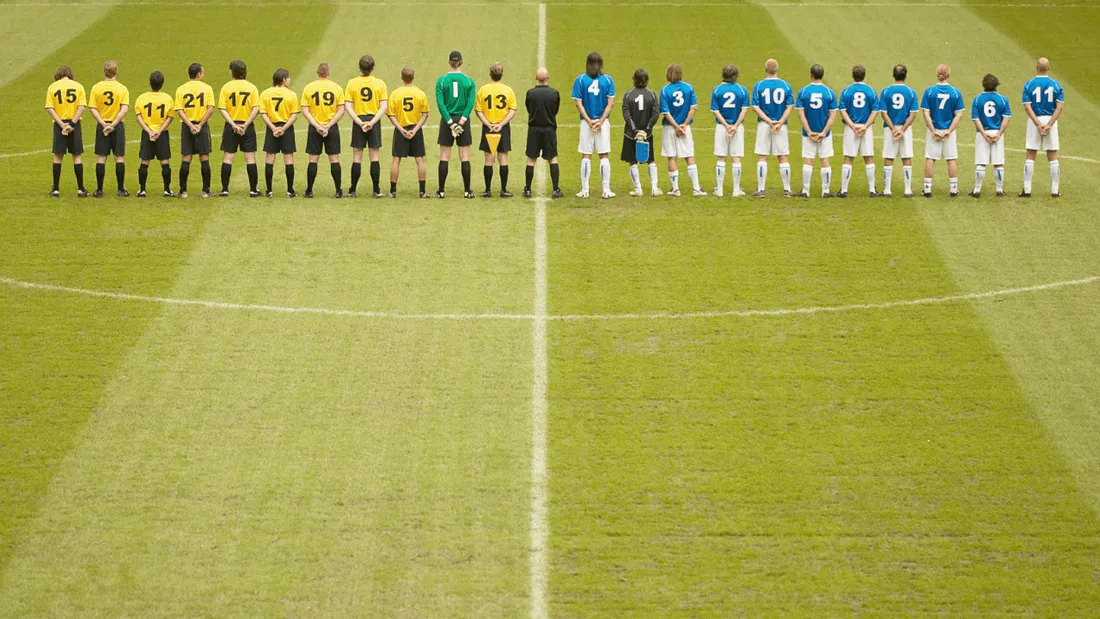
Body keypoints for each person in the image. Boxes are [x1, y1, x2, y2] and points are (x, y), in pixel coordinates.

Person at [571, 51, 616, 199]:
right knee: (604, 155)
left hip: (586, 123)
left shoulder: (580, 80)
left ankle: (585, 190)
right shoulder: (608, 80)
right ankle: (606, 190)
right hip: (603, 123)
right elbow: (610, 104)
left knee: (586, 155)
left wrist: (589, 121)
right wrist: (601, 121)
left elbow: (578, 103)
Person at [344, 54, 388, 198]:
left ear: (360, 68)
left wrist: (359, 122)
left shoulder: (352, 83)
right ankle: (376, 190)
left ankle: (353, 189)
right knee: (374, 155)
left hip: (359, 120)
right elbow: (383, 106)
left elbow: (348, 106)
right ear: (372, 68)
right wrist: (372, 122)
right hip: (373, 120)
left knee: (357, 155)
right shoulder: (380, 83)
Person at [435, 51, 477, 198]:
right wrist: (462, 121)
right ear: (461, 62)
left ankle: (441, 191)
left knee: (444, 156)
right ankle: (467, 191)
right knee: (464, 156)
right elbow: (471, 102)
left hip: (447, 121)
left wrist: (450, 123)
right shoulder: (469, 81)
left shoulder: (441, 80)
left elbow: (441, 104)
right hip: (463, 121)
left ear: (449, 62)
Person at [300, 62, 346, 198]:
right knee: (334, 158)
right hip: (331, 128)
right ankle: (338, 191)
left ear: (318, 73)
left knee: (313, 159)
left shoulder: (309, 88)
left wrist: (317, 126)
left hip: (315, 128)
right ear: (328, 73)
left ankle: (309, 190)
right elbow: (341, 110)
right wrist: (328, 125)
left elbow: (305, 109)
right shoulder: (336, 88)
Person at [1021, 57, 1064, 197]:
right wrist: (1050, 124)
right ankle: (1055, 190)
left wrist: (1038, 124)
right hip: (1050, 120)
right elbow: (1059, 107)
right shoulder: (1056, 85)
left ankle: (1027, 190)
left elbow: (1027, 106)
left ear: (1036, 67)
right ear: (1049, 68)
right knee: (1052, 154)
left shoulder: (1029, 85)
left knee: (1030, 153)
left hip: (1035, 120)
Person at [751, 59, 794, 197]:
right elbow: (789, 106)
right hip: (781, 126)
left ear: (765, 69)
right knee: (783, 157)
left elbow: (756, 107)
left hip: (764, 125)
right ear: (777, 69)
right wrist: (780, 122)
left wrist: (769, 121)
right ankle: (787, 190)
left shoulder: (759, 86)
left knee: (763, 156)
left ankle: (761, 189)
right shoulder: (786, 86)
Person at [660, 64, 705, 196]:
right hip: (685, 129)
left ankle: (675, 189)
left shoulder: (664, 90)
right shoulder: (689, 88)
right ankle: (696, 188)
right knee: (689, 156)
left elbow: (665, 112)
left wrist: (676, 126)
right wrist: (684, 125)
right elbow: (693, 107)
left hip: (669, 128)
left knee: (671, 157)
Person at [217, 59, 260, 197]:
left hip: (231, 126)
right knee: (250, 158)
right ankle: (253, 190)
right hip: (247, 126)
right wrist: (246, 124)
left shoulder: (226, 87)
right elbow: (256, 108)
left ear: (232, 72)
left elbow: (222, 108)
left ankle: (224, 189)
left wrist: (233, 124)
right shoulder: (252, 87)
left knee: (228, 157)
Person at [920, 64, 965, 198]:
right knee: (951, 159)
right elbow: (959, 114)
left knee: (930, 158)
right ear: (948, 75)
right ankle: (953, 189)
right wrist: (949, 131)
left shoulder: (929, 91)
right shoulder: (955, 92)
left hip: (933, 130)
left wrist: (933, 130)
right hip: (948, 132)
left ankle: (927, 190)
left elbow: (926, 113)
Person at [794, 64, 839, 198]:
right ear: (822, 75)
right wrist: (824, 132)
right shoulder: (830, 93)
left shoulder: (803, 92)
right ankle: (825, 190)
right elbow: (833, 115)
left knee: (808, 160)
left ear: (811, 75)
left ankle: (805, 191)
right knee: (825, 159)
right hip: (824, 134)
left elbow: (801, 114)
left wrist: (808, 131)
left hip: (808, 133)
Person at [386, 66, 431, 199]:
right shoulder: (420, 93)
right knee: (420, 160)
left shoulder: (395, 93)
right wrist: (415, 129)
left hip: (401, 129)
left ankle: (393, 191)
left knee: (396, 160)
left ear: (402, 77)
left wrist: (401, 129)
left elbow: (391, 115)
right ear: (413, 77)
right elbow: (425, 114)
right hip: (415, 129)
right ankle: (422, 191)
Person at [474, 63, 518, 198]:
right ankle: (503, 189)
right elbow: (512, 110)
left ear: (490, 74)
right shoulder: (508, 90)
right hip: (503, 128)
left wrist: (488, 124)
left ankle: (487, 190)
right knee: (503, 158)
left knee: (488, 159)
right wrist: (502, 124)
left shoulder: (483, 90)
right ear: (501, 74)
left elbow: (478, 110)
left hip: (488, 128)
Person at [88, 60, 130, 197]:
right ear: (116, 71)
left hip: (102, 126)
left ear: (104, 72)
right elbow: (124, 109)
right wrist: (113, 124)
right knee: (119, 157)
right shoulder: (122, 88)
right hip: (117, 126)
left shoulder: (96, 88)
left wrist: (103, 124)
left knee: (101, 157)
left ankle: (99, 190)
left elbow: (92, 108)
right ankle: (120, 189)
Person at [45, 66, 88, 197]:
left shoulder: (53, 87)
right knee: (77, 156)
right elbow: (81, 107)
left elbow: (50, 108)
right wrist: (71, 124)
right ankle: (81, 189)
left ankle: (56, 189)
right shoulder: (78, 86)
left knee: (58, 156)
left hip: (60, 125)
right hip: (74, 124)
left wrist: (62, 124)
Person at [877, 65, 919, 198]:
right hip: (905, 128)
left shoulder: (885, 91)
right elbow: (912, 114)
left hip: (890, 129)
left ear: (893, 75)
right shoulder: (911, 92)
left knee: (889, 157)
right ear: (905, 75)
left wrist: (893, 129)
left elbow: (883, 113)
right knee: (906, 157)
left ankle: (887, 190)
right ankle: (907, 189)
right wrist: (902, 130)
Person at [174, 62, 215, 198]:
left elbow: (179, 110)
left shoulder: (181, 89)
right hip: (201, 127)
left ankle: (183, 191)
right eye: (202, 72)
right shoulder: (207, 88)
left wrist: (190, 126)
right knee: (204, 157)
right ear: (198, 74)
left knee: (186, 157)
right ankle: (205, 190)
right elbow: (210, 109)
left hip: (187, 126)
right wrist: (200, 125)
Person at [838, 64, 878, 198]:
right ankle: (872, 190)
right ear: (864, 75)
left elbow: (842, 111)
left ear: (853, 76)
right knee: (869, 158)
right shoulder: (871, 91)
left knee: (848, 158)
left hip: (851, 129)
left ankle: (844, 190)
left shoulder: (846, 91)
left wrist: (852, 126)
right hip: (866, 129)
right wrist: (865, 126)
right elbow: (874, 111)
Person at [133, 70, 176, 198]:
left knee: (144, 161)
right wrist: (159, 131)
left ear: (150, 83)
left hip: (147, 134)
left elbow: (138, 116)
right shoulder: (167, 98)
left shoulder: (142, 98)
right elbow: (170, 117)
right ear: (162, 84)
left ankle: (142, 190)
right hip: (161, 134)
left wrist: (149, 131)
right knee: (164, 161)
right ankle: (167, 190)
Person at [259, 68, 300, 197]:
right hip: (286, 129)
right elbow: (294, 116)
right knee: (288, 158)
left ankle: (269, 190)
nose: (289, 80)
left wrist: (273, 128)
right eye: (288, 78)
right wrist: (283, 128)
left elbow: (263, 113)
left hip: (272, 128)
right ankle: (290, 190)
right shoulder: (291, 94)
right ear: (283, 80)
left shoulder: (265, 93)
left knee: (270, 158)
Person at [523, 67, 563, 199]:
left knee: (531, 159)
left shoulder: (530, 93)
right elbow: (555, 110)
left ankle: (528, 189)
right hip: (549, 129)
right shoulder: (554, 93)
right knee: (552, 159)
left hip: (534, 129)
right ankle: (556, 189)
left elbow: (529, 109)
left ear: (536, 78)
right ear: (548, 77)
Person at [710, 63, 749, 197]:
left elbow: (715, 110)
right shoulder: (742, 90)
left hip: (721, 127)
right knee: (736, 157)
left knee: (721, 157)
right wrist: (735, 126)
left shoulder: (717, 90)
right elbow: (744, 111)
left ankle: (719, 189)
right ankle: (736, 190)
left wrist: (726, 125)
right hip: (737, 128)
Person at [970, 74, 1011, 198]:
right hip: (997, 133)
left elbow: (975, 119)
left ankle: (977, 190)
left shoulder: (977, 99)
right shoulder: (1003, 99)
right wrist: (999, 134)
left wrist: (983, 133)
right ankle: (999, 190)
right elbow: (1006, 118)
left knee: (981, 163)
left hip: (983, 134)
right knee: (998, 163)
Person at [621, 68, 660, 197]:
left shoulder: (628, 95)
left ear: (634, 80)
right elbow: (655, 114)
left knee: (632, 161)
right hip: (647, 134)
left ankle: (638, 188)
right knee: (651, 160)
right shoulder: (652, 95)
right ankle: (654, 188)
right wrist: (646, 129)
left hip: (631, 134)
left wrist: (635, 130)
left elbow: (626, 115)